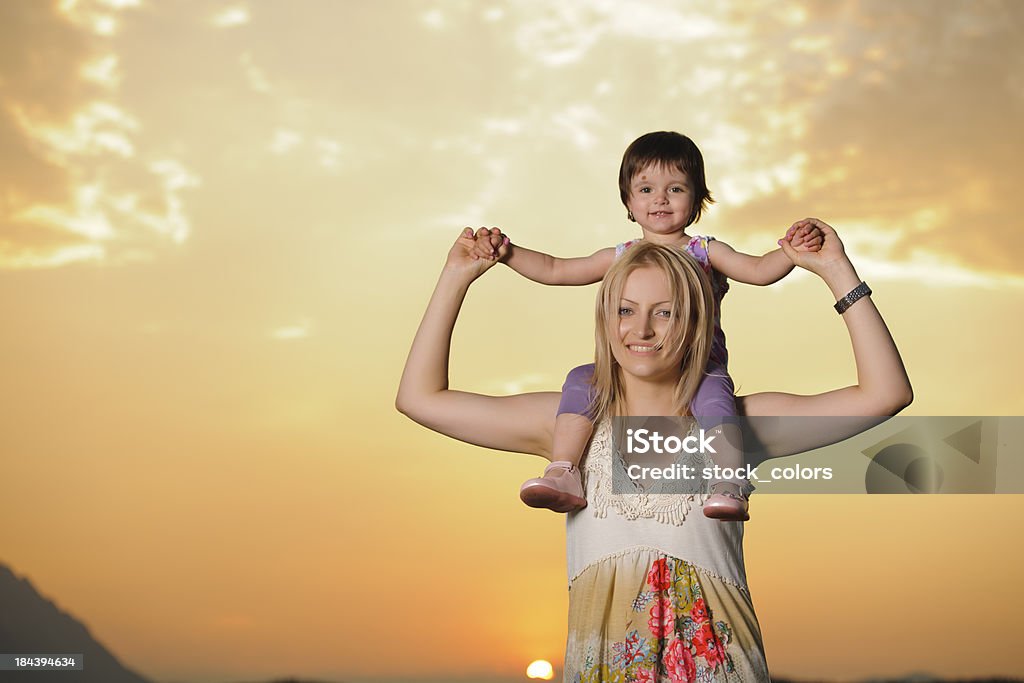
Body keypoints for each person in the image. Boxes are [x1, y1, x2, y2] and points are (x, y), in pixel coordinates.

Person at [396, 219, 911, 680]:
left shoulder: (734, 425)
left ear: (695, 321)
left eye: (663, 313)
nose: (640, 330)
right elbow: (420, 399)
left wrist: (836, 271)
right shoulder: (567, 425)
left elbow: (885, 394)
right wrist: (456, 276)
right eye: (625, 310)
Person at [471, 131, 824, 522]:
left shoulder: (705, 251)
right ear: (628, 200)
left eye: (675, 188)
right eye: (646, 188)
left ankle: (728, 481)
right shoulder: (621, 256)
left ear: (696, 201)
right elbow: (556, 269)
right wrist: (506, 252)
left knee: (715, 398)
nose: (660, 199)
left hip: (696, 368)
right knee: (581, 380)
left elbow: (758, 271)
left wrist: (791, 251)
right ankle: (565, 471)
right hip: (633, 368)